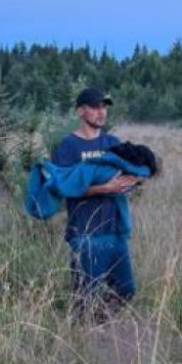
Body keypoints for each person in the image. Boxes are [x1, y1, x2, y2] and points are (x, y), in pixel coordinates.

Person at [51, 87, 148, 322]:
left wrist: (134, 180)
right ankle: (79, 338)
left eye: (104, 107)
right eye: (95, 107)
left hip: (114, 230)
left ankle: (96, 324)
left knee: (125, 290)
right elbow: (63, 187)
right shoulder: (68, 147)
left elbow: (131, 174)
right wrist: (104, 188)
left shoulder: (112, 143)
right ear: (80, 111)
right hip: (84, 232)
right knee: (84, 295)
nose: (101, 112)